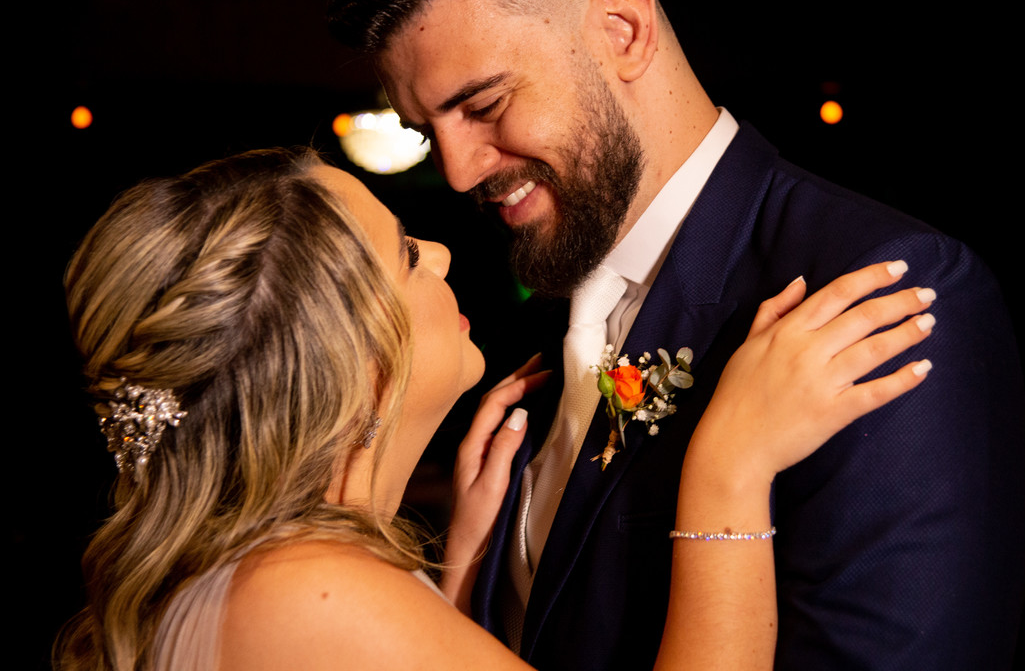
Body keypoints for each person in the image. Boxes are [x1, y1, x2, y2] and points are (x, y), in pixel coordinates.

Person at [328, 0, 1025, 669]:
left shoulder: (878, 289)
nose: (457, 172)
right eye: (429, 132)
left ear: (623, 29)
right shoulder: (529, 342)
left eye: (484, 105)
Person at [56, 148, 935, 671]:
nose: (440, 252)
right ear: (350, 358)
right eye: (405, 254)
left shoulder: (283, 582)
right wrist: (730, 469)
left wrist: (454, 582)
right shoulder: (301, 591)